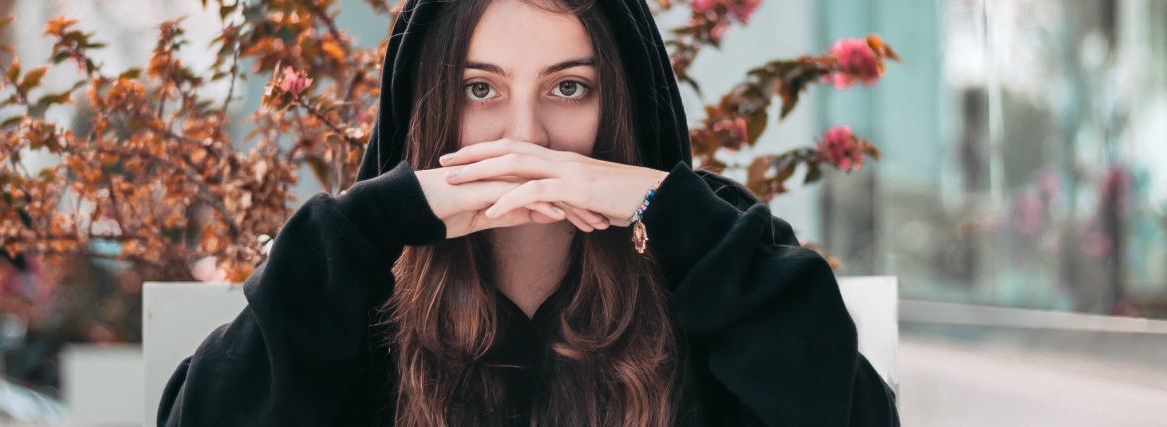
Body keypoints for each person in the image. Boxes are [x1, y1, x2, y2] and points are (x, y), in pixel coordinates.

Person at [157, 0, 900, 425]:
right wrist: (371, 223)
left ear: (622, 101)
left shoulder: (710, 252)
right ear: (430, 104)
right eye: (479, 89)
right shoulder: (352, 285)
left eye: (569, 88)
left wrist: (660, 207)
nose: (526, 137)